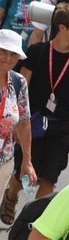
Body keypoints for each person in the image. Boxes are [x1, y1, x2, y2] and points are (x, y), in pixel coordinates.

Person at [0, 3, 69, 226]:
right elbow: (19, 88)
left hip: (62, 125)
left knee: (50, 178)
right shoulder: (37, 52)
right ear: (62, 27)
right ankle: (11, 197)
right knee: (24, 176)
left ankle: (28, 225)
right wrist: (19, 126)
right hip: (33, 121)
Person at [0, 29, 34, 198]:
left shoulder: (18, 81)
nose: (7, 58)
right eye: (2, 51)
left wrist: (27, 161)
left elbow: (24, 122)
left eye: (13, 54)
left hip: (4, 160)